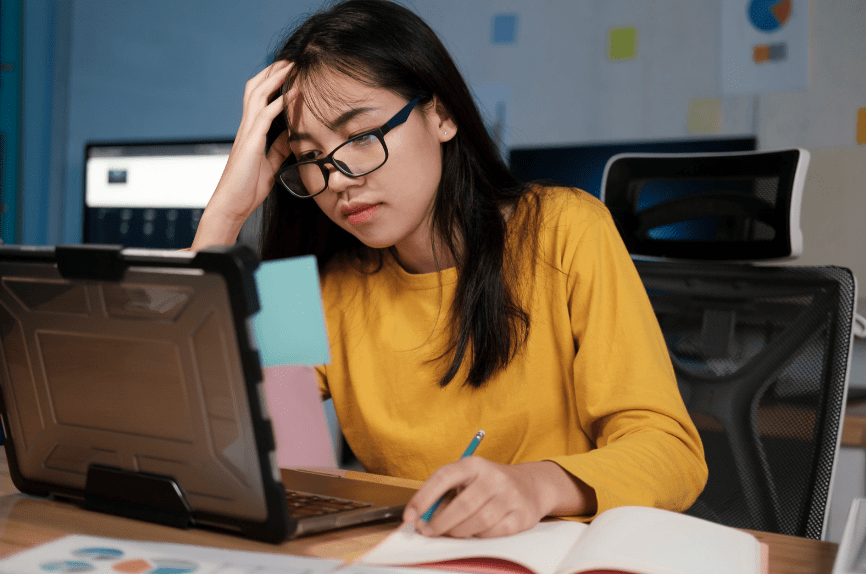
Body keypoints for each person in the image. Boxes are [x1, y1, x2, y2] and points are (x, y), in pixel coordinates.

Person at [191, 0, 707, 539]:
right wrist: (225, 215)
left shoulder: (564, 229)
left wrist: (537, 486)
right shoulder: (314, 281)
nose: (337, 179)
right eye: (310, 158)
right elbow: (236, 441)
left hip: (547, 551)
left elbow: (671, 451)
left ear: (440, 114)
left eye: (362, 136)